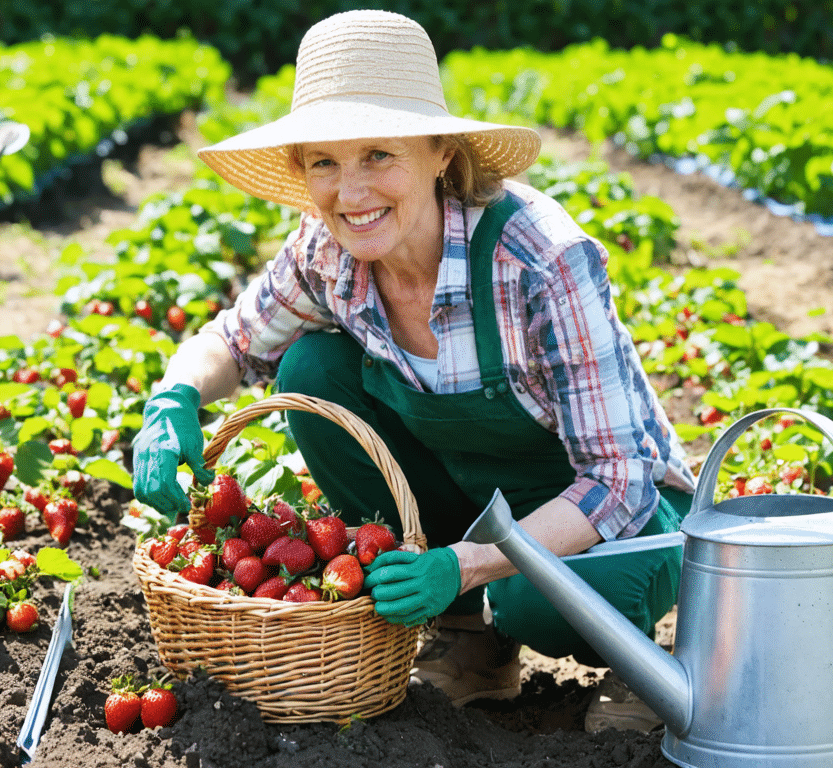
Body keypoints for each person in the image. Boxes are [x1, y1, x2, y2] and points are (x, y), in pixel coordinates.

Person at [131, 9, 697, 733]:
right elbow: (233, 343)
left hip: (614, 517)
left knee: (530, 599)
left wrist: (462, 564)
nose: (351, 191)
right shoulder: (325, 253)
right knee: (311, 369)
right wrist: (176, 392)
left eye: (378, 154)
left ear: (439, 153)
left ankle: (643, 666)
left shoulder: (537, 261)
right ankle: (471, 644)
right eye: (325, 162)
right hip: (474, 492)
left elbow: (619, 480)